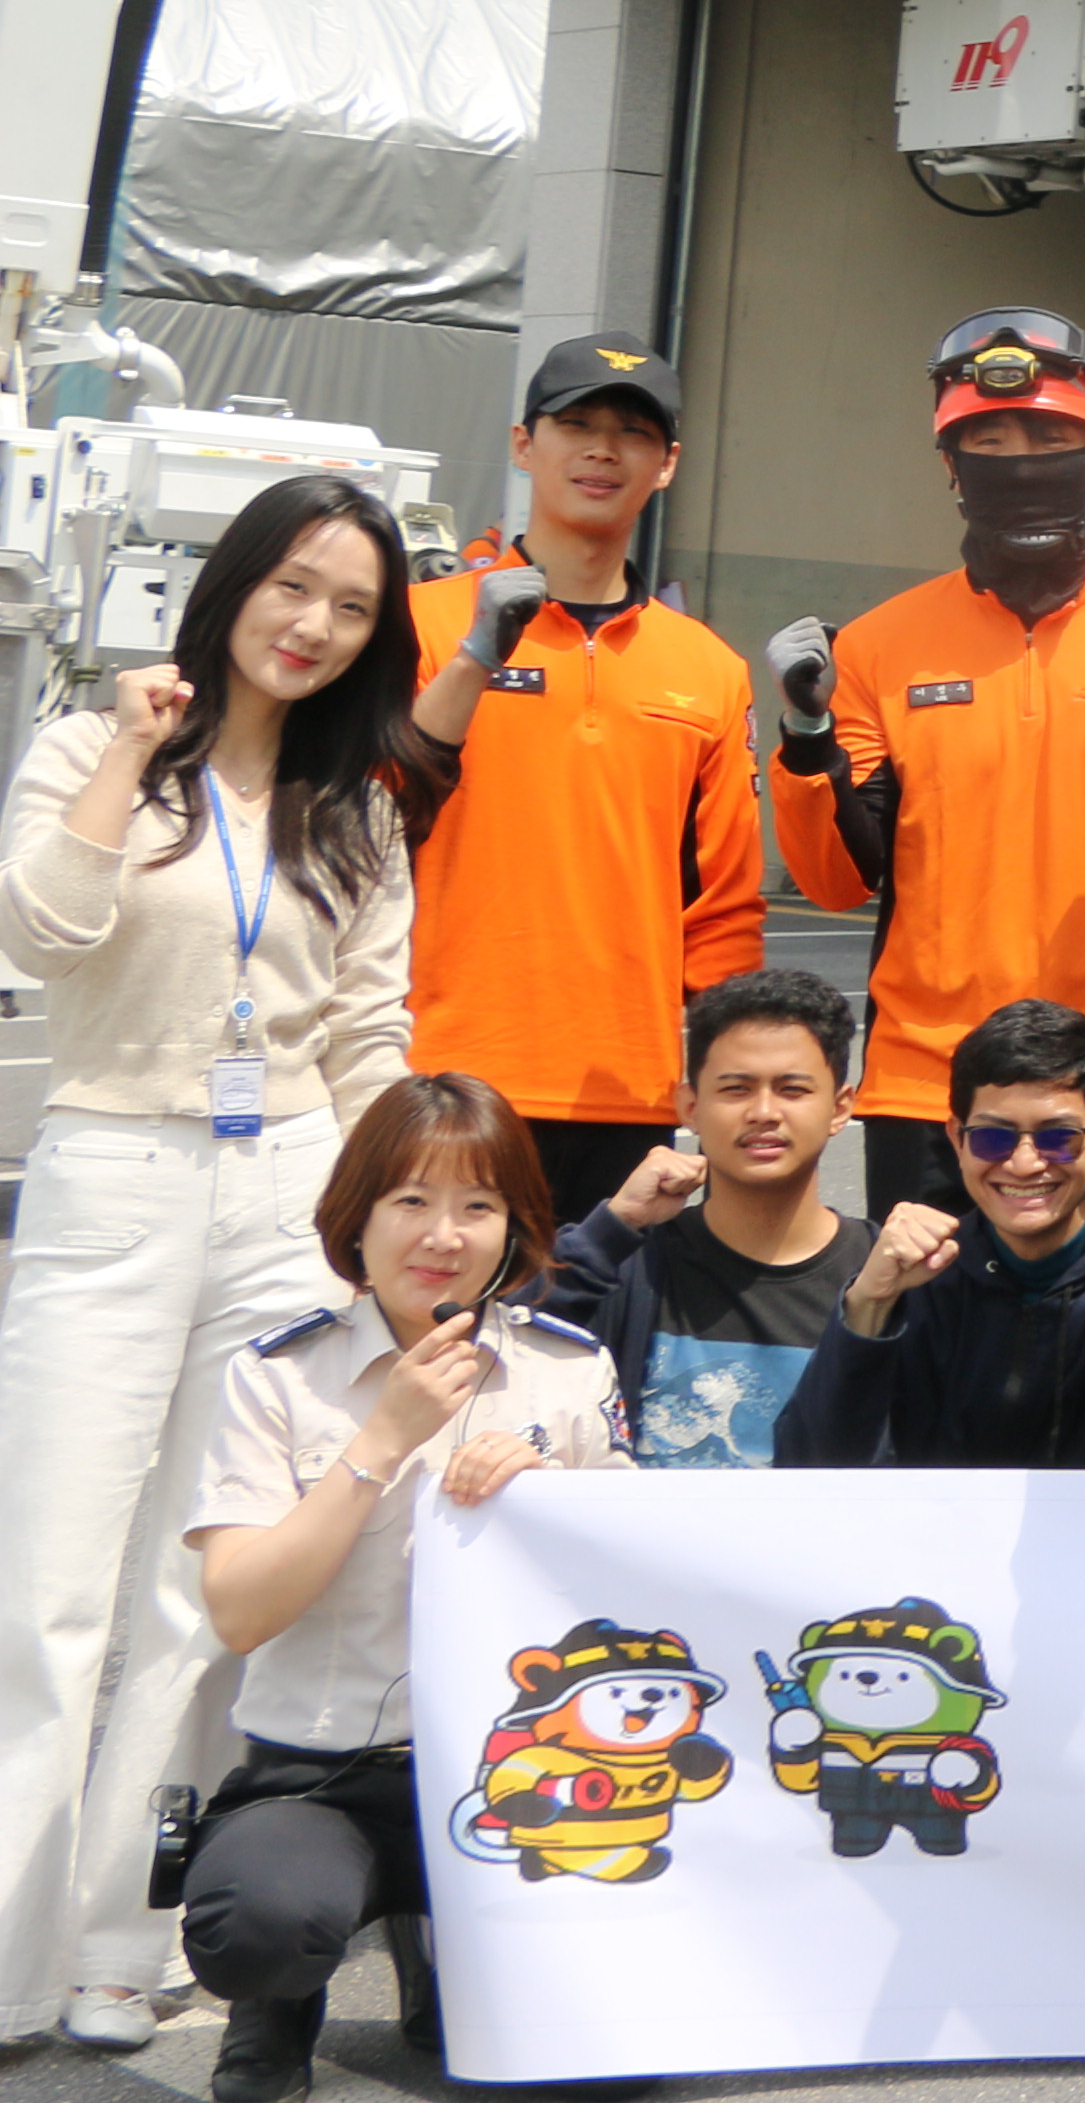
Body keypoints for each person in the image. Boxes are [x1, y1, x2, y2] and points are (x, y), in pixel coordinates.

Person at [0, 476, 425, 2056]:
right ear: (235, 580)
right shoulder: (91, 747)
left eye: (353, 608)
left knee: (198, 1596)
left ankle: (124, 1937)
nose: (314, 626)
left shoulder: (358, 811)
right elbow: (39, 934)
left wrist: (399, 1207)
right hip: (113, 1169)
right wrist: (129, 751)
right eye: (294, 586)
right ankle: (12, 1945)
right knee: (48, 1587)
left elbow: (371, 1029)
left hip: (289, 1189)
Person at [759, 309, 1085, 1221]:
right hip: (932, 1089)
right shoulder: (877, 646)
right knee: (929, 1316)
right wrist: (807, 737)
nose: (1022, 461)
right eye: (990, 441)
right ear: (951, 465)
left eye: (1050, 438)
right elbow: (837, 883)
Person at [176, 1078, 631, 2103]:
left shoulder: (567, 1370)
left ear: (516, 1227)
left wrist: (547, 1497)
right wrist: (381, 1440)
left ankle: (439, 1944)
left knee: (604, 2081)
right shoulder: (279, 1375)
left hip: (518, 1774)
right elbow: (241, 1610)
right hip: (324, 1772)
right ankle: (277, 2004)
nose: (444, 1236)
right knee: (260, 1926)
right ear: (358, 1218)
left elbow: (623, 1601)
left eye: (479, 1206)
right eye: (411, 1201)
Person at [400, 334, 764, 1222]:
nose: (604, 450)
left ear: (667, 465)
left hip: (626, 1090)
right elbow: (362, 832)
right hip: (437, 1075)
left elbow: (723, 906)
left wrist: (733, 1077)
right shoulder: (422, 626)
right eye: (578, 425)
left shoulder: (710, 668)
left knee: (595, 1316)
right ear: (524, 445)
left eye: (634, 434)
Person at [773, 998, 1085, 1469]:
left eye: (1058, 1138)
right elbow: (812, 1468)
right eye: (993, 1137)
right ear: (957, 1140)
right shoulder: (917, 1280)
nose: (1024, 1163)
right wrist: (867, 1307)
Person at [546, 967, 874, 1471]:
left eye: (792, 1090)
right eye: (736, 1089)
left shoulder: (881, 1275)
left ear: (840, 1107)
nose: (764, 1112)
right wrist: (611, 1227)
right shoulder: (633, 1267)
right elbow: (502, 1339)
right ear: (690, 1106)